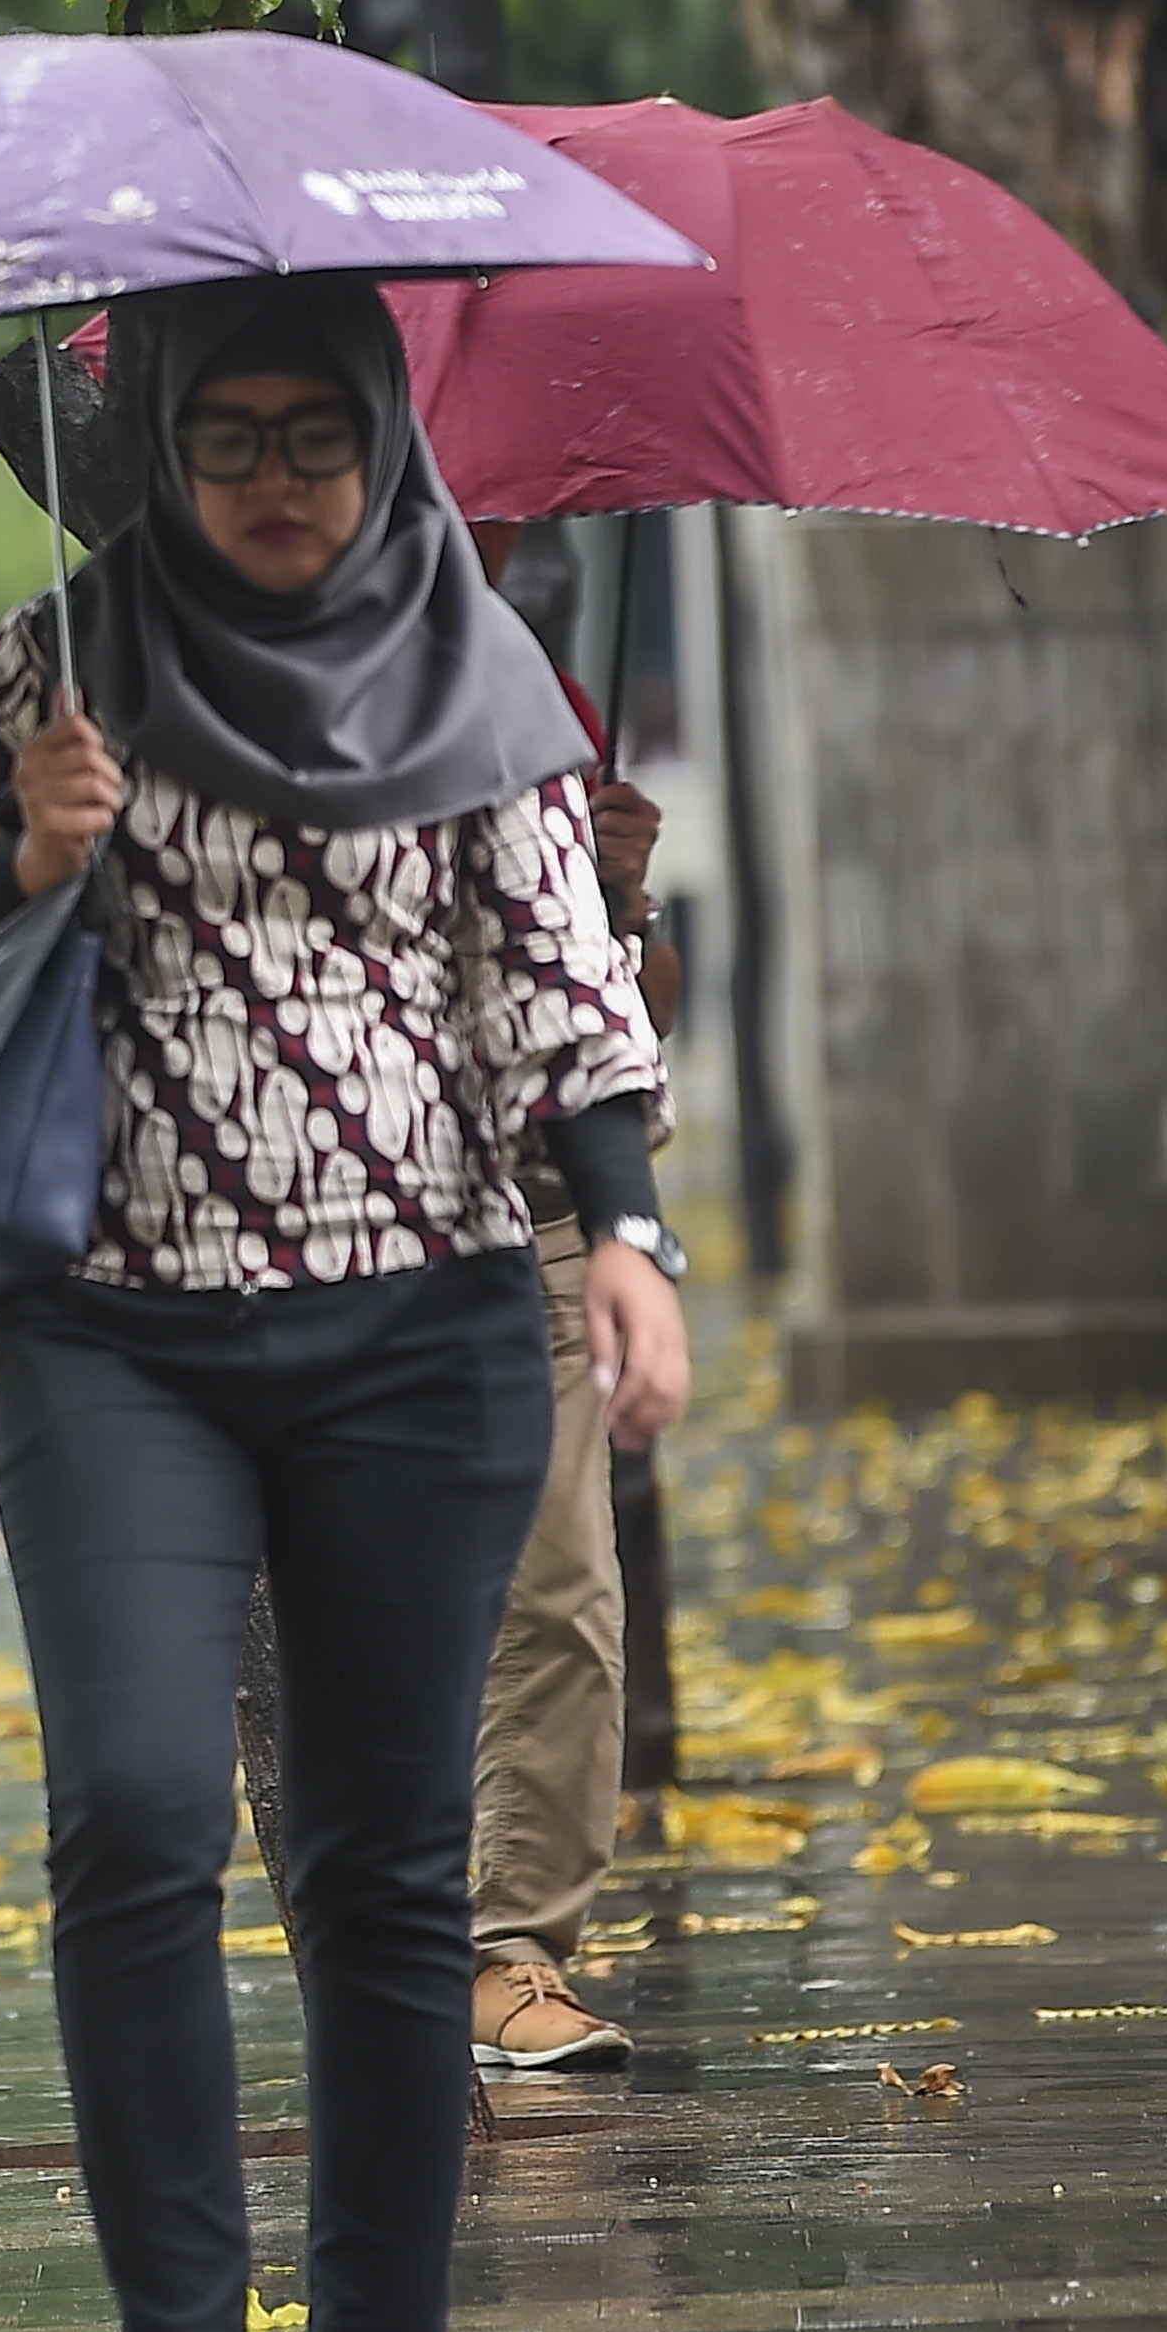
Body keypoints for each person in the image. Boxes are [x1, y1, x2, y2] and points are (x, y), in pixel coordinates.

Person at [0, 280, 688, 2332]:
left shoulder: (470, 663)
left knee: (379, 1862)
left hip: (412, 1326)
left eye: (318, 436)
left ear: (378, 443)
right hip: (117, 1333)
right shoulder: (57, 659)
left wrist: (622, 1233)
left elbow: (561, 986)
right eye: (230, 439)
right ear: (167, 448)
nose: (278, 479)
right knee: (130, 1812)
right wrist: (24, 850)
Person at [460, 520, 684, 2073]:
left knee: (564, 1596)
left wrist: (621, 897)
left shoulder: (538, 699)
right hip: (326, 1230)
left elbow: (628, 1023)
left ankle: (515, 1953)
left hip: (532, 1210)